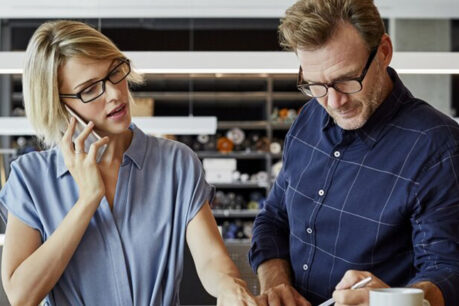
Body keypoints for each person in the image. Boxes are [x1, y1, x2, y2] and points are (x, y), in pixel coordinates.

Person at [0, 20, 258, 306]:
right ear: (59, 104)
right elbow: (21, 295)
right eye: (89, 89)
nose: (114, 94)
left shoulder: (176, 163)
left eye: (114, 72)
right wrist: (88, 200)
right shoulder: (31, 178)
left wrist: (229, 288)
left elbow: (212, 259)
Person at [249, 1, 459, 306]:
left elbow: (448, 269)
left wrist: (394, 300)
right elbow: (273, 218)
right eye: (316, 85)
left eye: (347, 79)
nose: (334, 102)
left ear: (384, 52)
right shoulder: (307, 120)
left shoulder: (437, 147)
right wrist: (276, 282)